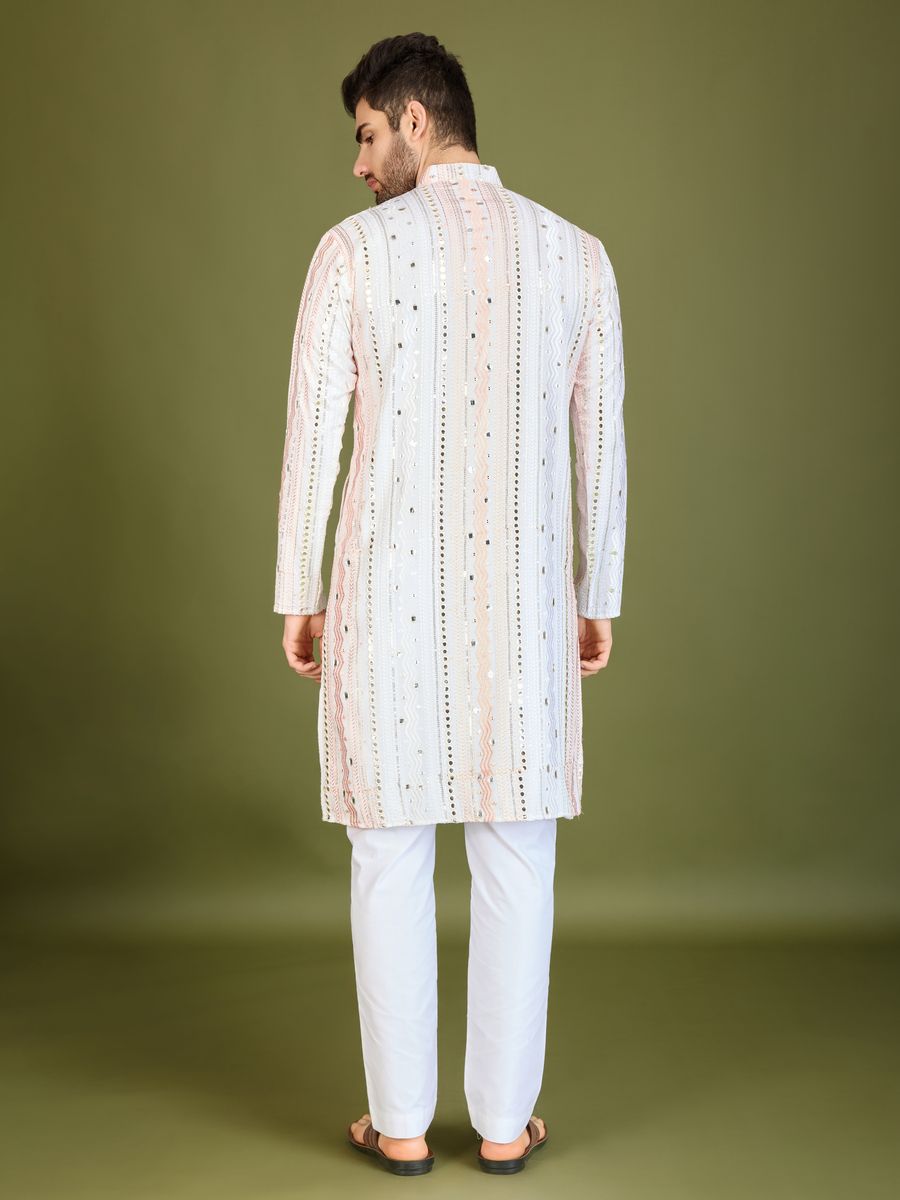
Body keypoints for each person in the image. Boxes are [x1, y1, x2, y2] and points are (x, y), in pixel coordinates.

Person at [273, 32, 627, 1175]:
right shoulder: (577, 256)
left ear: (417, 121)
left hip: (383, 604)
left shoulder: (351, 255)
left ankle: (402, 1127)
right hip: (527, 612)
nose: (359, 163)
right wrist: (599, 590)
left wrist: (297, 591)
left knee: (388, 855)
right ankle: (506, 1129)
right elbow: (602, 446)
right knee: (517, 852)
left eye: (368, 134)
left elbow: (314, 439)